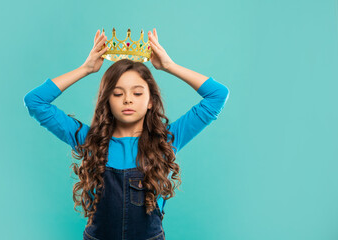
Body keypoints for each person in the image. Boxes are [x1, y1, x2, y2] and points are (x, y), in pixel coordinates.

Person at [23, 28, 230, 240]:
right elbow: (35, 101)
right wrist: (85, 69)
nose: (128, 99)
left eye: (137, 93)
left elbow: (218, 95)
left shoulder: (166, 140)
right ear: (107, 101)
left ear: (150, 101)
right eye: (118, 93)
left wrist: (169, 66)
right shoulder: (88, 141)